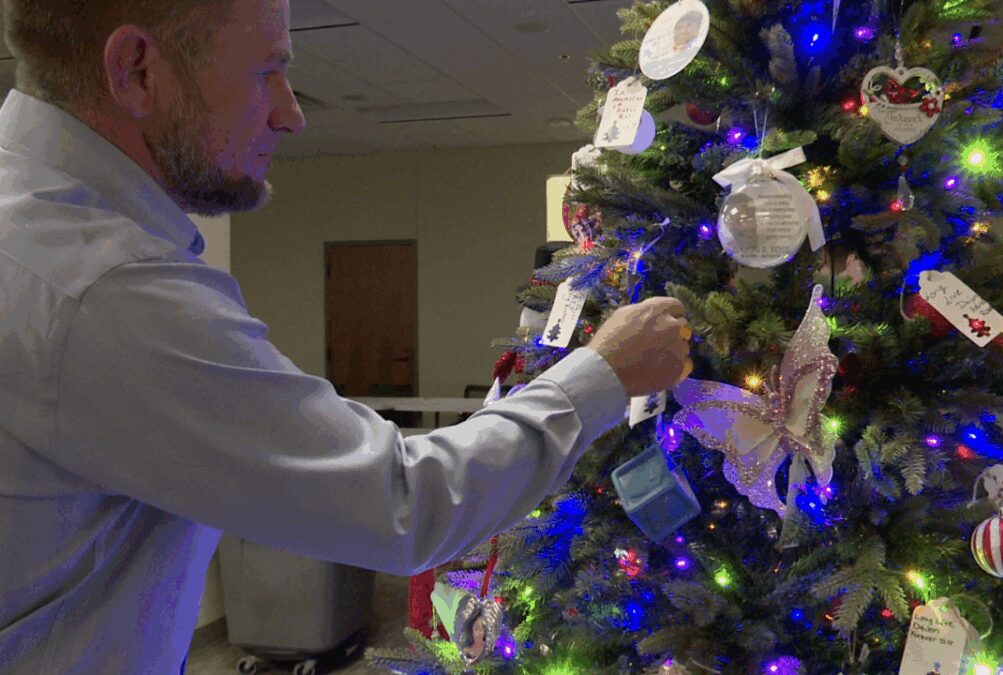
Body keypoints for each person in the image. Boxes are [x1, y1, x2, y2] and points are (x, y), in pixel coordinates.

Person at [0, 0, 693, 672]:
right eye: (265, 71)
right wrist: (605, 371)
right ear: (137, 70)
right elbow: (402, 503)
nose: (291, 113)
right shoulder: (102, 288)